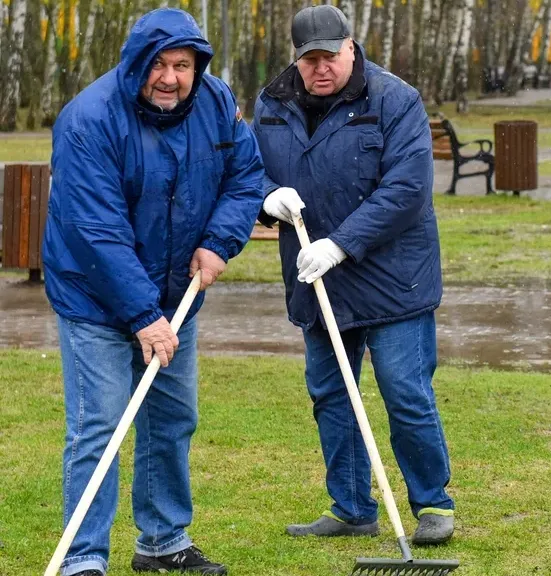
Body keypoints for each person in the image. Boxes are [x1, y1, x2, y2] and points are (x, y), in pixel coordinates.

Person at [42, 8, 265, 576]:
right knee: (100, 425)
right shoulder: (88, 119)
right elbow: (94, 229)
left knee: (170, 419)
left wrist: (219, 242)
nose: (170, 77)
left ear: (198, 67)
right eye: (160, 65)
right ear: (138, 63)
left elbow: (245, 176)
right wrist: (142, 314)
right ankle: (84, 558)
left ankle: (163, 541)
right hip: (95, 298)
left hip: (175, 295)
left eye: (182, 65)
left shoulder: (215, 103)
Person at [251, 4, 456, 545]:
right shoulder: (272, 105)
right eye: (309, 59)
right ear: (295, 59)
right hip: (318, 283)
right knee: (330, 395)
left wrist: (341, 244)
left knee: (405, 391)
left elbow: (407, 190)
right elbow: (245, 175)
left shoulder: (394, 99)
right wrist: (265, 198)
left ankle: (433, 503)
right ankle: (351, 507)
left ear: (351, 46)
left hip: (394, 278)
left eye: (330, 56)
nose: (321, 68)